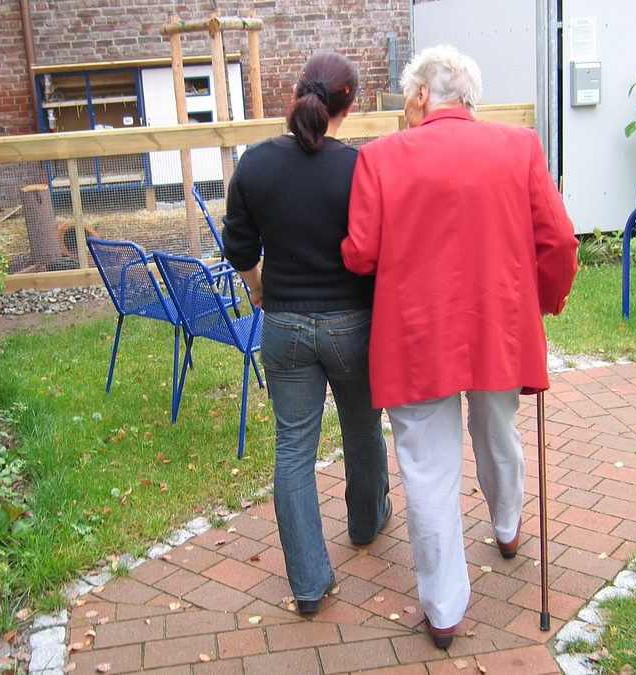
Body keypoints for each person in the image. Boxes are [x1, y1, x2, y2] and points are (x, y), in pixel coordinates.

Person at [341, 44, 579, 648]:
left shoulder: (379, 157)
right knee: (499, 431)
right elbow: (559, 240)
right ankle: (506, 526)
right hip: (499, 328)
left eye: (407, 96)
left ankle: (444, 610)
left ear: (422, 95)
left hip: (417, 337)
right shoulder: (519, 147)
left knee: (427, 470)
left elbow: (362, 253)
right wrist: (543, 301)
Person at [221, 50, 391, 616]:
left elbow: (239, 249)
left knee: (293, 450)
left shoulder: (255, 163)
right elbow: (378, 249)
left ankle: (310, 584)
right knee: (363, 432)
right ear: (351, 103)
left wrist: (260, 287)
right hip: (353, 327)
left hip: (285, 327)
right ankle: (366, 525)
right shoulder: (360, 167)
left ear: (296, 93)